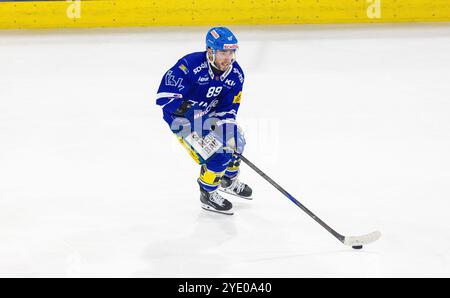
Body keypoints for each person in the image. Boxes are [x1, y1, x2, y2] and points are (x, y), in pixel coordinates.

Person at [156, 27, 252, 215]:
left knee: (236, 142)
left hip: (209, 116)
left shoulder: (236, 74)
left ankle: (228, 181)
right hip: (181, 119)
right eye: (223, 52)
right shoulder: (189, 65)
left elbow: (228, 108)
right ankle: (207, 193)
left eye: (231, 52)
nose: (228, 57)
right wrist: (197, 117)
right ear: (210, 51)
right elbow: (165, 98)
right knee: (218, 155)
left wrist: (227, 129)